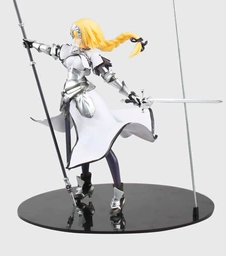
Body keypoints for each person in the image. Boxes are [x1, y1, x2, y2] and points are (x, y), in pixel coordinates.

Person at [24, 18, 156, 214]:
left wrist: (131, 95)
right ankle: (86, 183)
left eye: (78, 34)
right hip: (72, 101)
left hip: (89, 102)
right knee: (84, 141)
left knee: (103, 143)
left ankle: (118, 193)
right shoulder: (68, 50)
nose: (74, 37)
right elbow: (51, 50)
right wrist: (33, 45)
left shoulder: (93, 56)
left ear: (86, 35)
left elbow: (110, 78)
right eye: (73, 33)